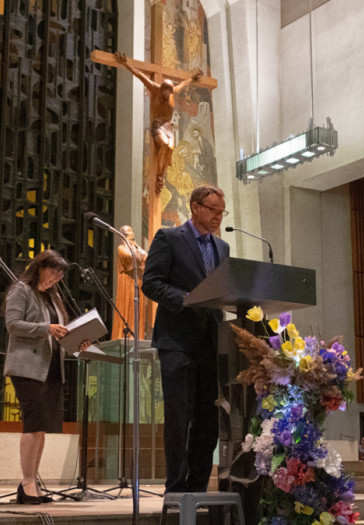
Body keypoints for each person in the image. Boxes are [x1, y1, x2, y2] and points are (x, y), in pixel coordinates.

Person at [142, 184, 230, 493]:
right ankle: (176, 489)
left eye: (222, 212)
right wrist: (187, 298)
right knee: (179, 417)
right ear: (195, 207)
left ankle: (198, 485)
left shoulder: (223, 249)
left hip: (211, 343)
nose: (219, 216)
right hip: (177, 341)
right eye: (213, 210)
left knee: (208, 418)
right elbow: (150, 283)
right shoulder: (169, 238)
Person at [3, 250, 89, 504]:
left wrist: (76, 339)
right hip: (27, 367)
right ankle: (27, 481)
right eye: (53, 272)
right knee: (33, 424)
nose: (56, 279)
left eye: (60, 275)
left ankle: (31, 482)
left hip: (51, 368)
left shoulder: (53, 296)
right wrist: (47, 329)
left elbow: (60, 332)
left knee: (42, 428)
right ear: (40, 267)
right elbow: (12, 324)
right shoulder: (21, 290)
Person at [114, 51, 202, 243]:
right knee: (165, 145)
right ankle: (159, 176)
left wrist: (193, 78)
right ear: (161, 88)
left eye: (169, 91)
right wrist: (126, 63)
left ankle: (161, 175)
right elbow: (139, 75)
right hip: (158, 126)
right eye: (165, 91)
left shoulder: (172, 93)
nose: (166, 94)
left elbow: (183, 85)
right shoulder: (154, 88)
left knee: (170, 148)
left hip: (169, 127)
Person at [111, 225, 150, 340]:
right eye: (128, 232)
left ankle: (137, 335)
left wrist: (136, 247)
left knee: (137, 308)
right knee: (127, 306)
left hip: (137, 281)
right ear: (123, 235)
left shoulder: (135, 247)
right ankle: (124, 335)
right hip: (127, 284)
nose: (131, 234)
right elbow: (132, 258)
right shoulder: (121, 248)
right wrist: (138, 254)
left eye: (131, 231)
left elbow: (145, 257)